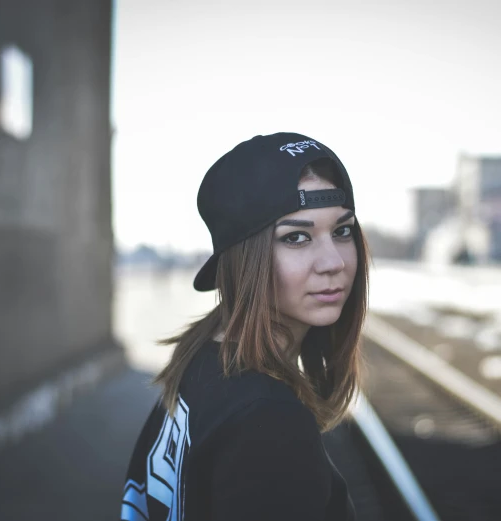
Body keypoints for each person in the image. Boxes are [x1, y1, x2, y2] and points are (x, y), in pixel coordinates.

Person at [120, 132, 370, 521]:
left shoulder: (202, 356)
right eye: (297, 237)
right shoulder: (268, 421)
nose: (333, 261)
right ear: (245, 260)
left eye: (342, 231)